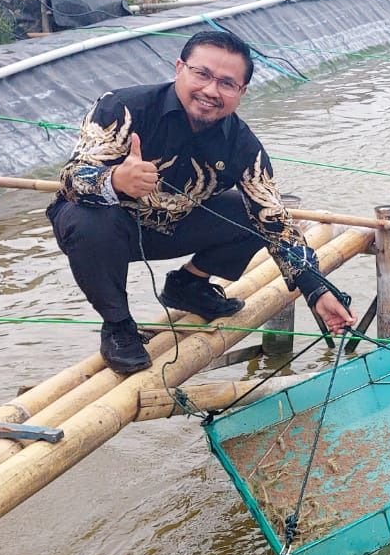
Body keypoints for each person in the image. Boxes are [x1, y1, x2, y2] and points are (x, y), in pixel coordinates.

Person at [48, 30, 353, 374]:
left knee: (249, 212)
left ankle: (188, 285)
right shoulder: (123, 108)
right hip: (105, 229)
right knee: (88, 219)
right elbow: (71, 178)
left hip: (171, 225)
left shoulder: (242, 145)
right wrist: (114, 181)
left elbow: (274, 221)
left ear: (241, 92)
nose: (210, 91)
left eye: (226, 83)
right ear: (180, 68)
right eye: (202, 74)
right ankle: (118, 326)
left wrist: (317, 292)